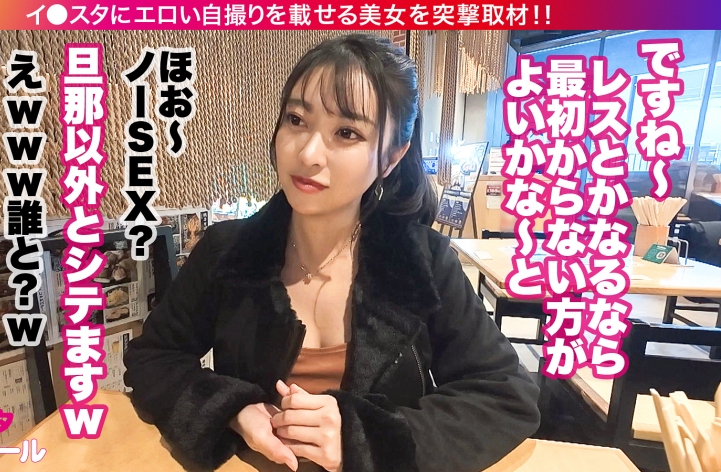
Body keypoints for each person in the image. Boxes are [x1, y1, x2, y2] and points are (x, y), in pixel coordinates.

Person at [123, 33, 540, 472]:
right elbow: (153, 358)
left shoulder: (422, 262)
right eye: (296, 119)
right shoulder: (228, 251)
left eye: (346, 132)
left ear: (391, 157)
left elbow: (505, 393)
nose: (307, 153)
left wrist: (364, 438)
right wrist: (233, 409)